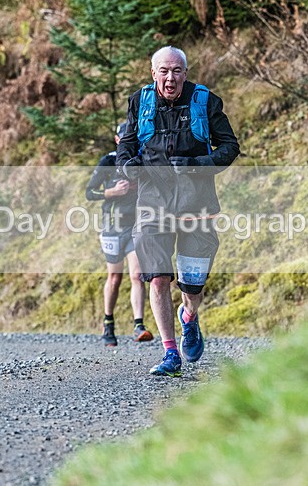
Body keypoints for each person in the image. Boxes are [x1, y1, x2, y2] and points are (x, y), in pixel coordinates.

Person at [117, 46, 240, 377]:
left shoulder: (205, 102)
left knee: (192, 285)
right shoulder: (139, 103)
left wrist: (197, 164)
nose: (170, 77)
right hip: (152, 205)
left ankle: (190, 316)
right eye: (164, 71)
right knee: (157, 278)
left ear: (185, 73)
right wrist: (129, 167)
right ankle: (170, 352)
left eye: (177, 71)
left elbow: (230, 147)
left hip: (196, 204)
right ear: (153, 72)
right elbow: (124, 147)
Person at [86, 123, 154, 346]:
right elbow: (89, 192)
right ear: (117, 140)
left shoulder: (140, 161)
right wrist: (112, 192)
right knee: (114, 278)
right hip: (112, 227)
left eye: (131, 139)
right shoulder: (107, 161)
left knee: (137, 275)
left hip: (135, 226)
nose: (128, 142)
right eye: (124, 139)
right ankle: (108, 324)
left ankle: (139, 325)